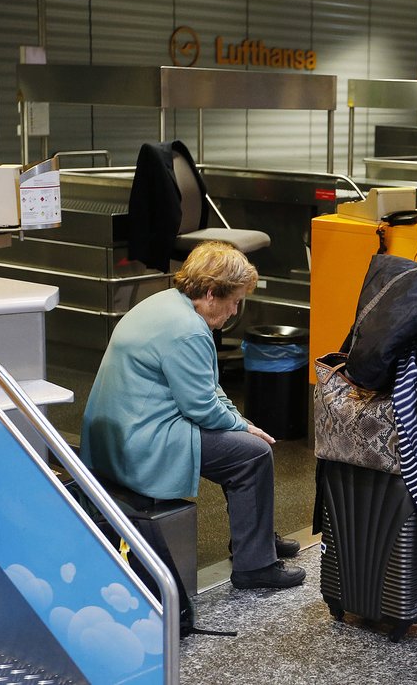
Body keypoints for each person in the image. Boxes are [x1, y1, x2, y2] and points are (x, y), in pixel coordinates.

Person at [80, 240, 306, 590]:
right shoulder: (189, 332)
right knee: (253, 454)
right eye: (233, 302)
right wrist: (243, 428)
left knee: (244, 442)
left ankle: (255, 540)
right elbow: (200, 406)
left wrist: (240, 422)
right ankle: (255, 565)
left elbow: (208, 387)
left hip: (118, 433)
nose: (234, 312)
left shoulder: (167, 304)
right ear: (213, 292)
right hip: (140, 442)